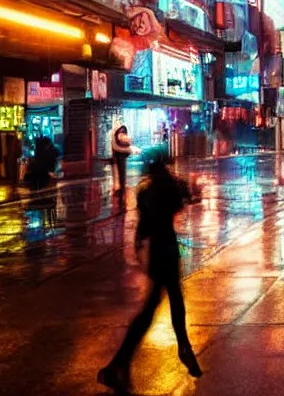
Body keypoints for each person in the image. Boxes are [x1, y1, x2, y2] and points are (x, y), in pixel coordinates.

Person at [98, 155, 202, 391]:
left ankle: (120, 363)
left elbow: (143, 226)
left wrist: (137, 246)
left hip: (157, 252)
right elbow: (183, 200)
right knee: (173, 299)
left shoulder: (146, 193)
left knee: (152, 308)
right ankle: (183, 347)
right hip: (170, 249)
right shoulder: (172, 188)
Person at [111, 124, 132, 193]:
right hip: (118, 154)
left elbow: (122, 140)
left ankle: (121, 187)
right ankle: (120, 187)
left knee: (121, 170)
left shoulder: (121, 128)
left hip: (120, 154)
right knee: (119, 170)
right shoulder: (119, 129)